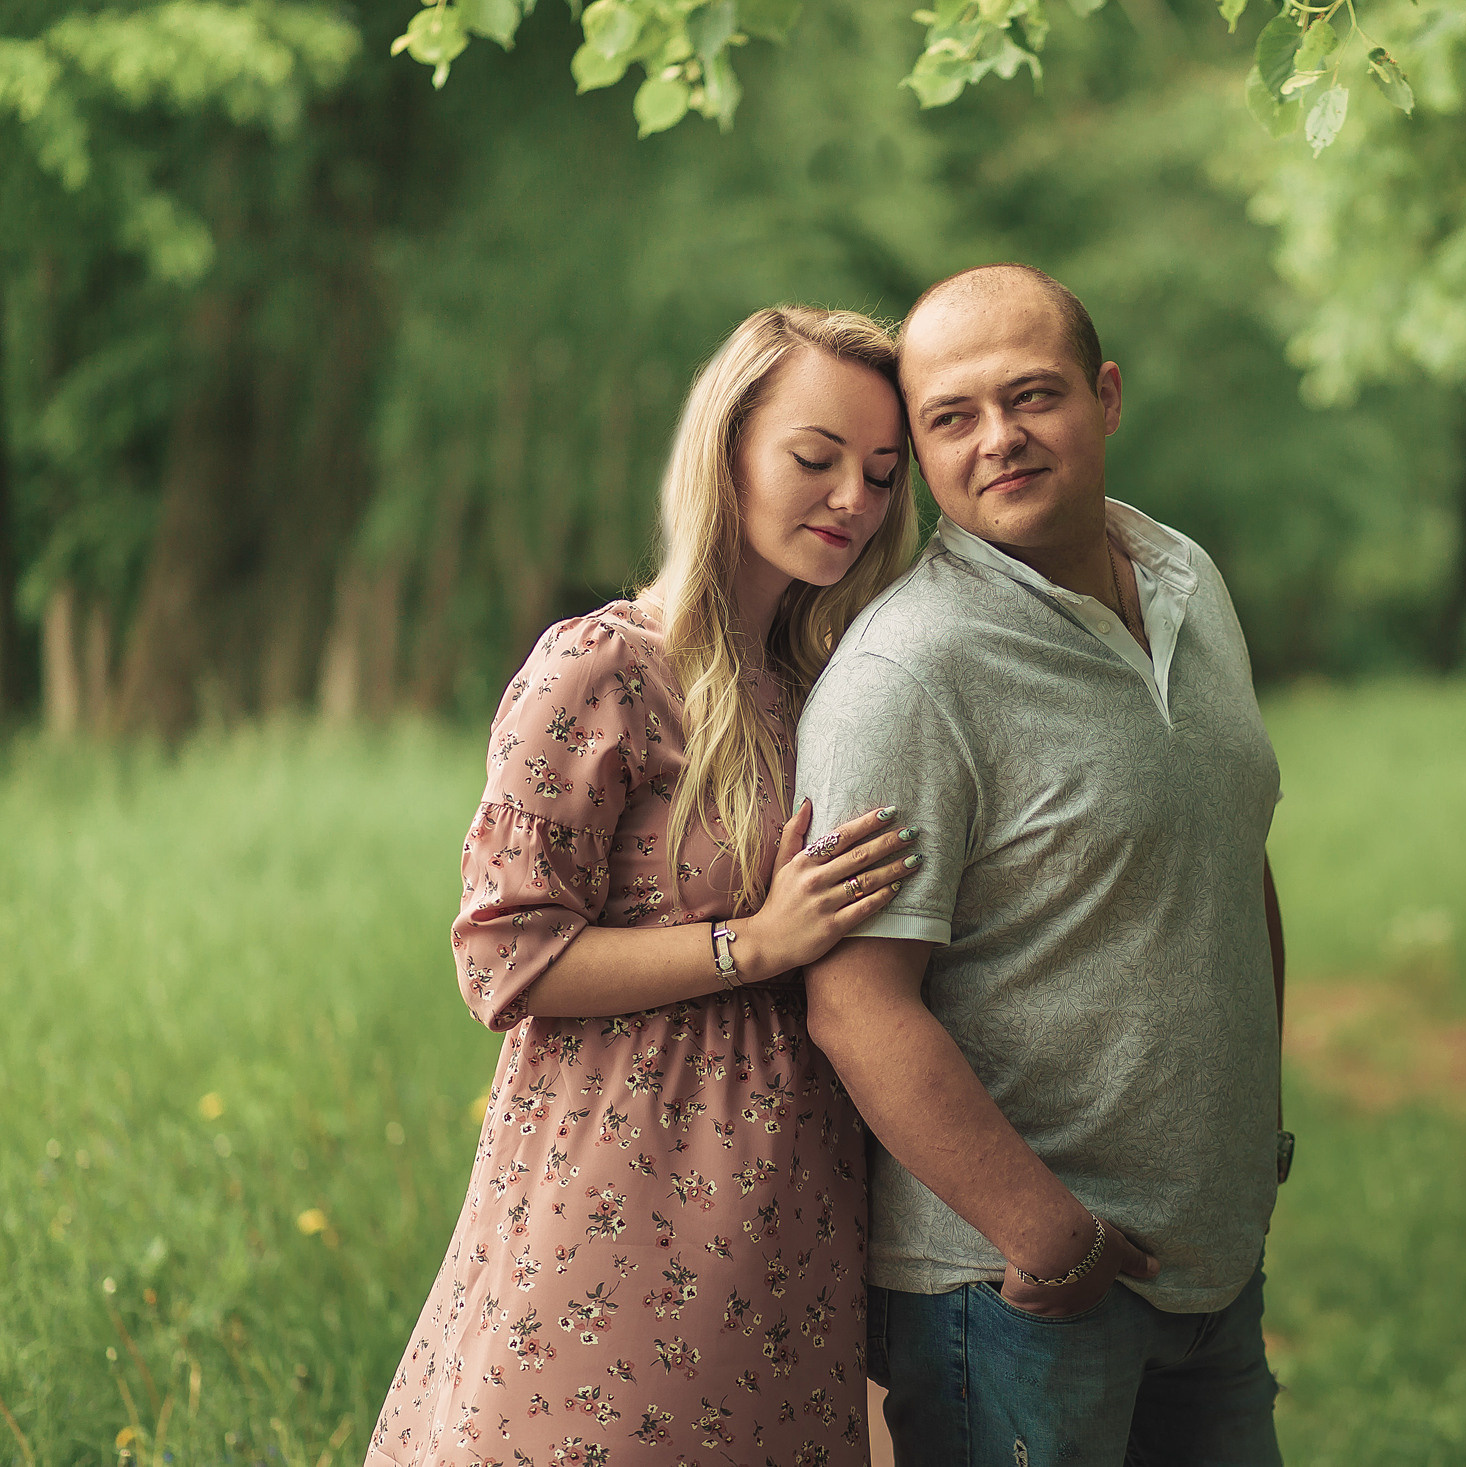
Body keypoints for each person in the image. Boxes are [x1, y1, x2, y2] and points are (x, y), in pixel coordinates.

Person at [366, 306, 924, 1467]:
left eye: (879, 473)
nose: (851, 502)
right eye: (814, 459)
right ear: (727, 449)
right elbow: (499, 960)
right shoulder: (603, 666)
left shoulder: (825, 684)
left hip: (792, 1208)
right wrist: (750, 946)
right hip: (624, 1192)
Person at [796, 264, 1290, 1465]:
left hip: (1206, 1265)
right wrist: (1046, 1235)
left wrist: (1249, 1132)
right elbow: (855, 1005)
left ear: (1105, 397)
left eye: (1033, 397)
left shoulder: (1185, 580)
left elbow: (1230, 856)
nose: (999, 441)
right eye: (952, 418)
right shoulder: (908, 674)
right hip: (1012, 1295)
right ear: (917, 447)